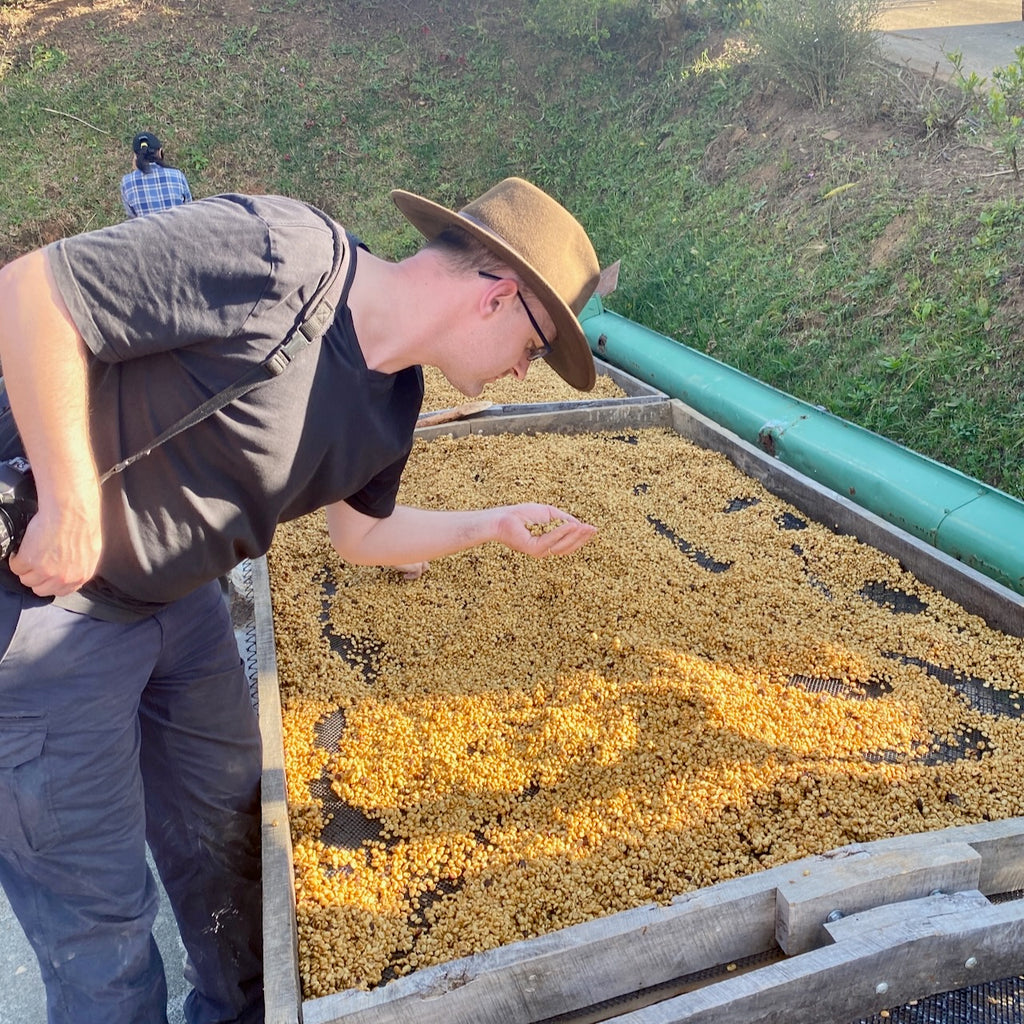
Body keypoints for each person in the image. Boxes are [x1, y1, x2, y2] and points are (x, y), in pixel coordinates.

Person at [0, 177, 601, 1024]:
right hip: (48, 612)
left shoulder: (394, 403)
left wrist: (495, 525)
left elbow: (361, 539)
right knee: (100, 924)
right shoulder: (279, 254)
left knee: (233, 850)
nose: (520, 370)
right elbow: (33, 290)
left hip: (181, 606)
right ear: (499, 296)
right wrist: (67, 502)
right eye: (536, 347)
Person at [120, 130, 193, 217]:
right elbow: (189, 208)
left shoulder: (127, 182)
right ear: (160, 152)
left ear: (135, 157)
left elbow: (133, 218)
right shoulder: (177, 175)